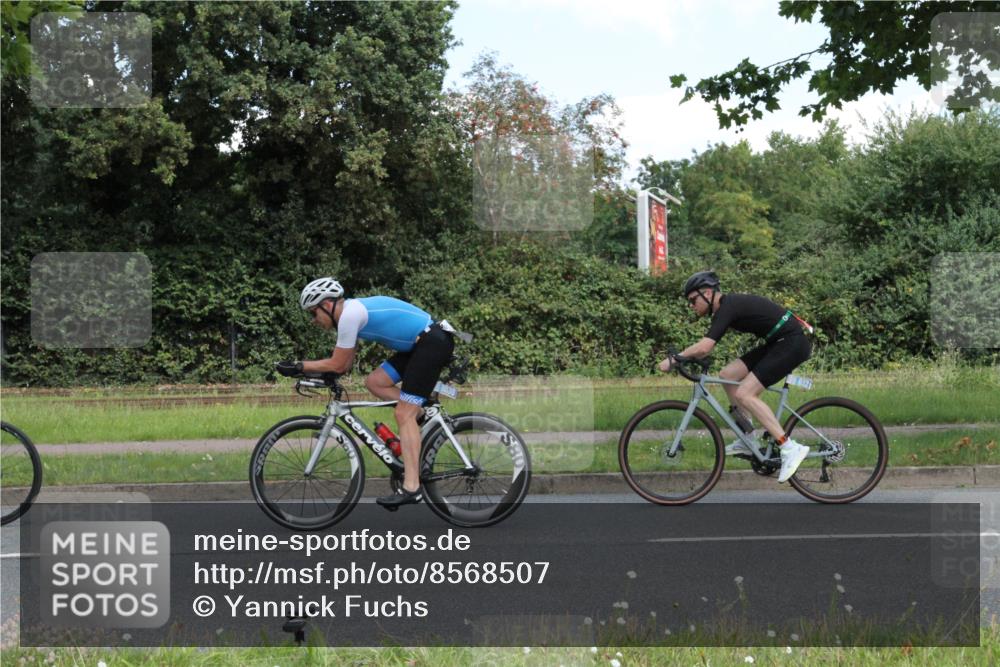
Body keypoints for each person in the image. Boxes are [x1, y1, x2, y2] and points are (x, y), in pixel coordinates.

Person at [275, 277, 455, 508]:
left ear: (327, 305)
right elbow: (344, 364)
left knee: (403, 414)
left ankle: (412, 487)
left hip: (432, 342)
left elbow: (338, 365)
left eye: (313, 313)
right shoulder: (349, 315)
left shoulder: (350, 315)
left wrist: (300, 366)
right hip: (420, 344)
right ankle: (417, 411)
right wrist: (315, 372)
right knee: (375, 382)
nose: (314, 321)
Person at [658, 271, 812, 483]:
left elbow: (704, 348)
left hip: (791, 343)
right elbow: (707, 348)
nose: (691, 305)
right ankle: (747, 438)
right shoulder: (725, 308)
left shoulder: (728, 307)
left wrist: (675, 359)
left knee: (745, 393)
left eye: (693, 300)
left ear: (708, 293)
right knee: (728, 375)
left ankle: (789, 447)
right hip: (778, 341)